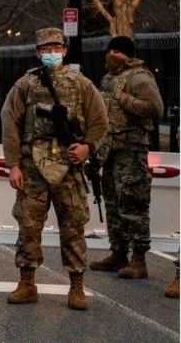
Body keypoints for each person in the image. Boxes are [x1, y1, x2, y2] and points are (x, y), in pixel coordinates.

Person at [0, 27, 108, 310]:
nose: (51, 53)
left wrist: (87, 147)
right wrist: (13, 165)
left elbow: (100, 121)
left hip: (69, 168)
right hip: (33, 168)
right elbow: (9, 123)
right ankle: (27, 283)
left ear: (64, 50)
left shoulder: (82, 85)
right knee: (28, 226)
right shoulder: (26, 85)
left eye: (55, 48)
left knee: (73, 227)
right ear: (37, 52)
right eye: (45, 49)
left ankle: (76, 286)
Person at [89, 35, 163, 279]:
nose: (111, 55)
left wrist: (125, 99)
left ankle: (138, 259)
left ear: (127, 55)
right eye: (109, 50)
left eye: (117, 52)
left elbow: (155, 109)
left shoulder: (140, 78)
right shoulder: (108, 79)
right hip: (110, 150)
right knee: (112, 204)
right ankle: (118, 252)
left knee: (133, 205)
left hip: (131, 151)